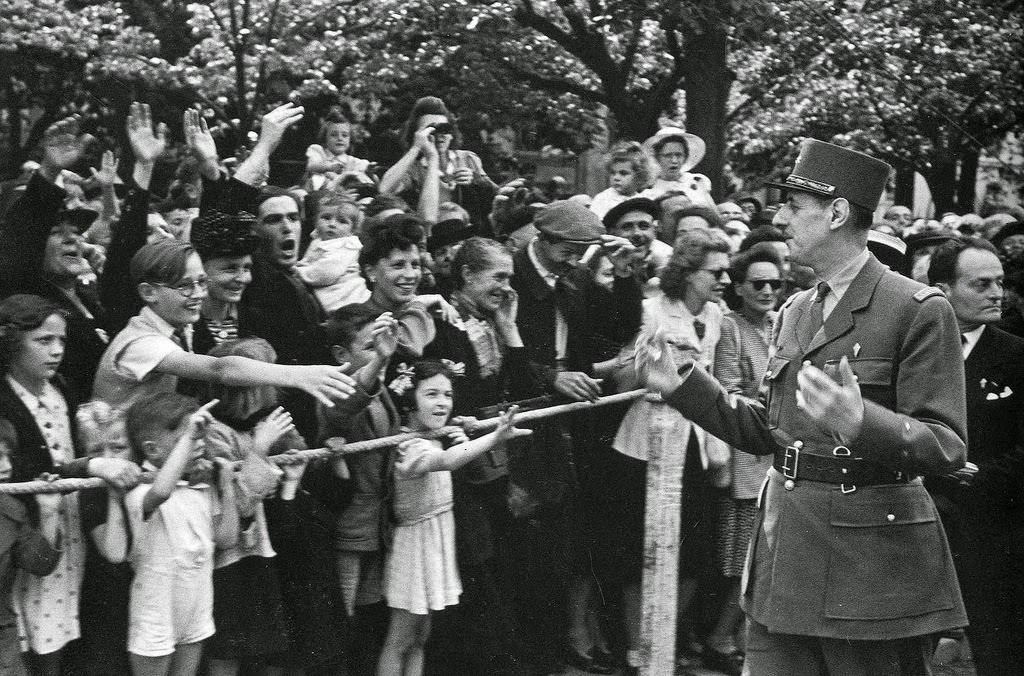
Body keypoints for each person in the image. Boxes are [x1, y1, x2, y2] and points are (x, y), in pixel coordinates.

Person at [641, 139, 968, 675]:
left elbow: (947, 445)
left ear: (837, 212)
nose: (779, 217)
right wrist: (684, 386)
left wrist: (862, 424)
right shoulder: (797, 309)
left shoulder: (916, 309)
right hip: (785, 555)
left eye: (793, 205)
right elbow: (771, 430)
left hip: (869, 569)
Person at [612, 230, 733, 675]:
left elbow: (716, 380)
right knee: (638, 552)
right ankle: (637, 651)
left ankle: (663, 638)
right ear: (686, 272)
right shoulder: (651, 310)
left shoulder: (717, 315)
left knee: (697, 554)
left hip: (697, 444)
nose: (724, 279)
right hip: (646, 444)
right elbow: (625, 380)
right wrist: (650, 364)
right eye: (715, 271)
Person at [420, 237, 537, 675]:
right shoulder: (441, 321)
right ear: (467, 275)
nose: (507, 288)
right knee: (473, 578)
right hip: (451, 470)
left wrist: (510, 330)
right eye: (498, 277)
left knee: (494, 572)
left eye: (510, 278)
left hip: (491, 466)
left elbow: (525, 392)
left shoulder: (495, 321)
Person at [377, 362, 528, 676]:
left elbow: (452, 454)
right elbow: (446, 461)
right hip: (414, 546)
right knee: (400, 638)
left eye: (447, 394)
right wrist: (493, 438)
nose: (442, 402)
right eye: (431, 394)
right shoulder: (408, 445)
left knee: (420, 638)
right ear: (410, 401)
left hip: (436, 541)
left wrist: (460, 438)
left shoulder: (433, 436)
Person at [91, 239, 357, 412]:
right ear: (149, 293)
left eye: (202, 282)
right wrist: (298, 375)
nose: (197, 294)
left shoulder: (177, 324)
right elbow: (220, 369)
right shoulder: (141, 343)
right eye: (184, 286)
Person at [928, 237, 1024, 676]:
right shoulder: (915, 347)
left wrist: (981, 476)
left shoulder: (1015, 355)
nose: (996, 293)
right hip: (920, 522)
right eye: (981, 284)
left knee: (999, 651)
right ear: (943, 289)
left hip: (992, 529)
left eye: (999, 282)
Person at [704, 244, 784, 674]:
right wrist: (774, 397)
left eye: (776, 283)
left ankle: (734, 638)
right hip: (743, 456)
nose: (768, 290)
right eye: (758, 283)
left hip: (773, 456)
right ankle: (720, 638)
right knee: (741, 563)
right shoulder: (731, 327)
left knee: (759, 562)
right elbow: (727, 390)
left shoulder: (779, 323)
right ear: (738, 287)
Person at [203, 338, 302, 676]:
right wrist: (259, 449)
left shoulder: (266, 418)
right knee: (227, 652)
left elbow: (295, 454)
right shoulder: (213, 433)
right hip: (227, 559)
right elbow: (241, 505)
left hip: (261, 552)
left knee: (267, 649)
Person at [123, 393, 238, 676]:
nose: (197, 445)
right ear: (152, 451)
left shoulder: (198, 488)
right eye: (187, 440)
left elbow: (226, 539)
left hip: (195, 609)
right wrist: (189, 438)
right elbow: (161, 491)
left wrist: (226, 486)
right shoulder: (139, 493)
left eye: (199, 438)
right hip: (155, 613)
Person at [0, 419, 64, 676]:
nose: (7, 466)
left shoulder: (10, 508)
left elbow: (41, 563)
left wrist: (49, 511)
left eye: (7, 456)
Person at [379, 97, 497, 226]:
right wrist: (416, 147)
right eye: (432, 130)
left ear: (452, 134)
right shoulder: (414, 169)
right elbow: (384, 189)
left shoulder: (467, 158)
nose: (439, 135)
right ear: (418, 135)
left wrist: (476, 179)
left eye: (445, 129)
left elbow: (495, 192)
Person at [294, 192, 371, 312]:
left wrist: (298, 271)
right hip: (330, 297)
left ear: (352, 230)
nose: (332, 224)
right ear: (315, 220)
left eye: (342, 221)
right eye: (326, 217)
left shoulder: (345, 246)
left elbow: (325, 273)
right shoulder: (319, 239)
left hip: (347, 298)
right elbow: (309, 261)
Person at [639, 127, 713, 204]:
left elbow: (713, 213)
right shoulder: (650, 189)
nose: (674, 160)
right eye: (668, 155)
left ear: (685, 157)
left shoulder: (697, 181)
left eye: (679, 155)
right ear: (657, 158)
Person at [304, 111, 372, 191]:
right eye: (334, 135)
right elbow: (312, 166)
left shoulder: (353, 161)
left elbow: (363, 172)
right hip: (319, 195)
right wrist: (330, 167)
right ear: (325, 138)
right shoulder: (318, 151)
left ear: (350, 139)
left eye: (345, 135)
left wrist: (369, 171)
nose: (340, 138)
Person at [589, 141, 651, 220]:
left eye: (623, 173)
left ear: (639, 177)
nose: (616, 178)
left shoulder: (643, 200)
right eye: (612, 173)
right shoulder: (603, 199)